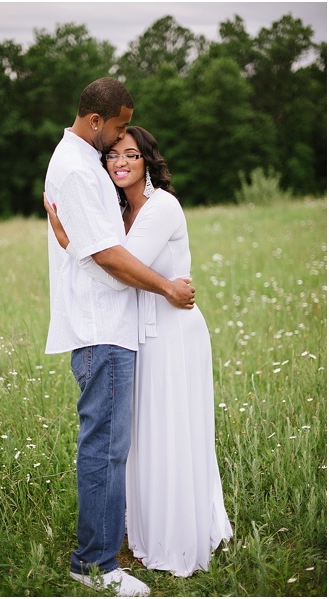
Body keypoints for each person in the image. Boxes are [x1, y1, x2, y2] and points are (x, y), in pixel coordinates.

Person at [45, 126, 233, 577]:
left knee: (173, 432)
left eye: (131, 154)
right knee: (143, 440)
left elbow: (116, 269)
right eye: (112, 155)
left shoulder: (161, 208)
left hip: (172, 335)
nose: (121, 162)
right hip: (140, 334)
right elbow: (114, 260)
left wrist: (69, 242)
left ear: (147, 160)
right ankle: (142, 530)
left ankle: (177, 534)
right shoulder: (118, 211)